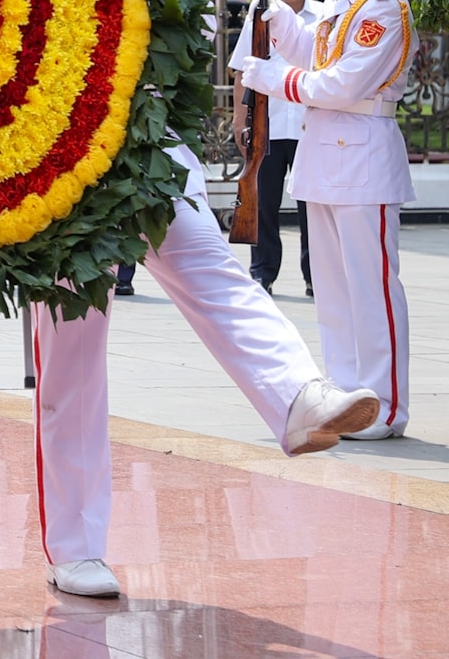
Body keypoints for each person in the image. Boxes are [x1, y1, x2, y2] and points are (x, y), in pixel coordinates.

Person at [31, 140, 380, 598]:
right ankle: (75, 547)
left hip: (152, 147)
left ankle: (298, 395)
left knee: (215, 270)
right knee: (72, 356)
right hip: (63, 156)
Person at [242, 0, 419, 440]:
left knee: (372, 290)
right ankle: (347, 397)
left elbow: (342, 84)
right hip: (326, 157)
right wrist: (285, 24)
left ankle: (385, 405)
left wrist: (273, 77)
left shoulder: (383, 6)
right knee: (337, 295)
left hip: (363, 156)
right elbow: (317, 56)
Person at [230, 0, 317, 295]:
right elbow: (242, 68)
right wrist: (240, 118)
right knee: (263, 203)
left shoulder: (323, 15)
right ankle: (263, 272)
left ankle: (316, 276)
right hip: (269, 124)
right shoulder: (259, 16)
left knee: (313, 206)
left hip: (310, 126)